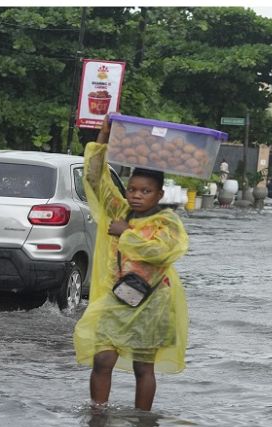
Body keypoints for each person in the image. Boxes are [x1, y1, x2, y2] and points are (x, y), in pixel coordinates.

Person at [74, 116, 190, 411]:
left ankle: (142, 423)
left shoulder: (168, 222)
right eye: (133, 189)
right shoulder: (119, 209)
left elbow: (162, 253)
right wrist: (102, 136)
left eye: (146, 191)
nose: (137, 195)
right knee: (102, 358)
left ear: (159, 194)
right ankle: (97, 413)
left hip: (152, 303)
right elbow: (94, 179)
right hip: (117, 297)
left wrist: (126, 234)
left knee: (143, 368)